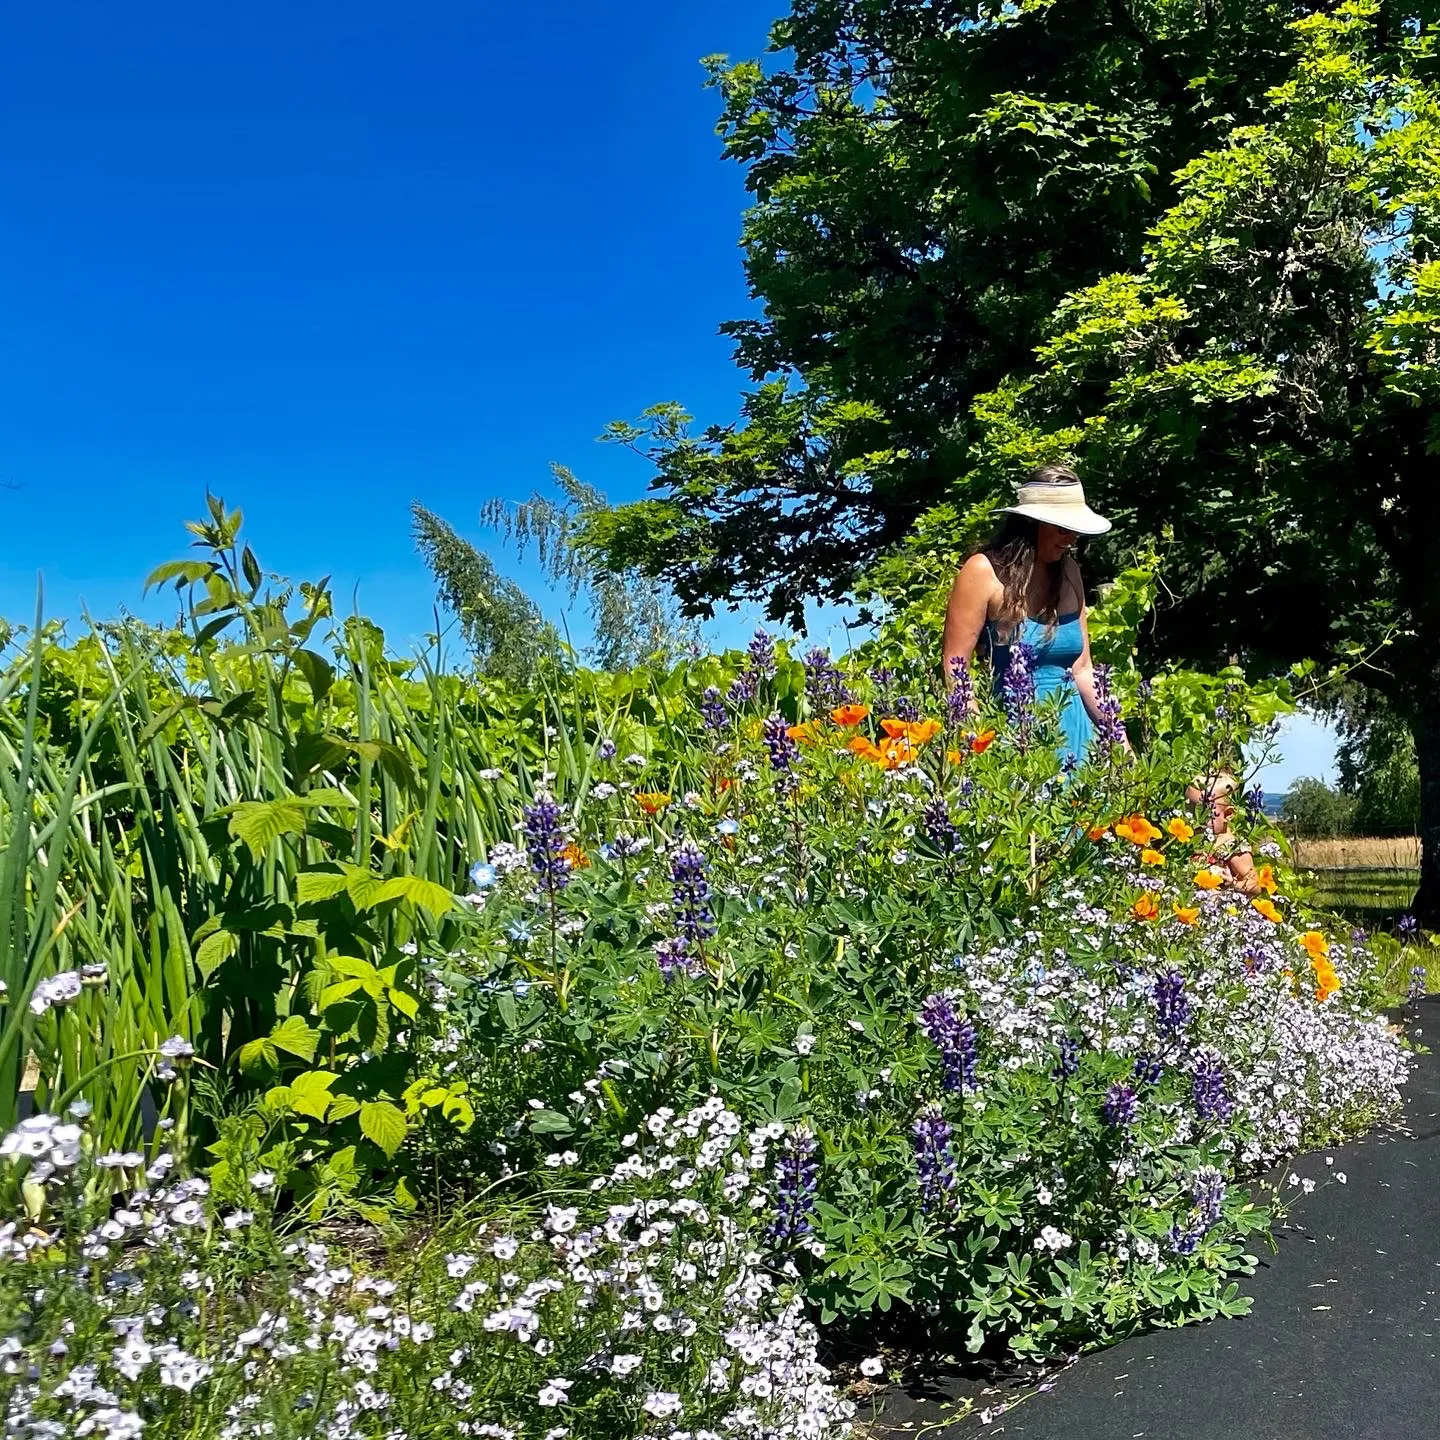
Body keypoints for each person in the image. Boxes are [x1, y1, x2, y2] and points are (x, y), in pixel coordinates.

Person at [941, 465, 1117, 767]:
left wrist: (1118, 740)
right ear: (1033, 523)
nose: (1071, 538)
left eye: (1075, 530)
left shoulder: (1069, 572)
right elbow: (955, 668)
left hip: (1078, 738)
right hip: (1016, 735)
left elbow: (1083, 669)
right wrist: (981, 745)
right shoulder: (983, 571)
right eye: (1063, 528)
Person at [1187, 771, 1261, 895]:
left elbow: (1255, 885)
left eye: (1203, 812)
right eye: (1191, 811)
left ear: (1228, 814)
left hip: (1220, 908)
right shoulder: (1194, 840)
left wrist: (1233, 884)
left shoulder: (1233, 847)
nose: (1196, 818)